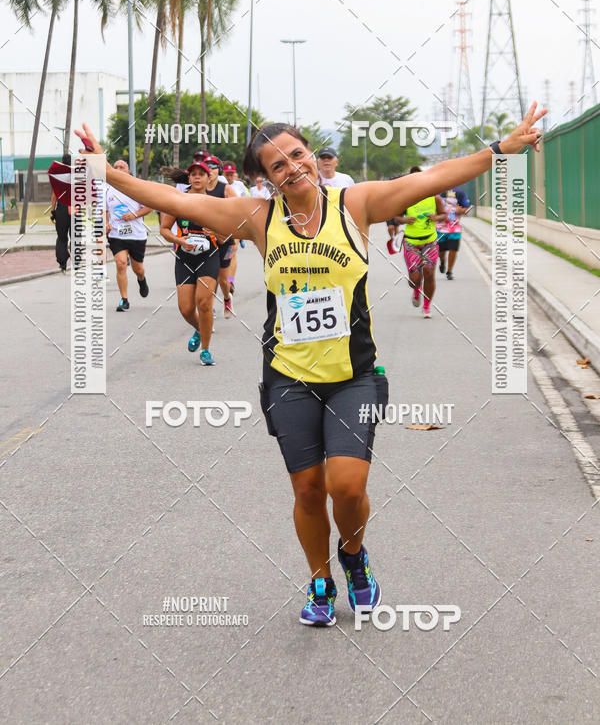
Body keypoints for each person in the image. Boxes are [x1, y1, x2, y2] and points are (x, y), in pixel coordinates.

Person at [76, 102, 545, 626]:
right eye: (278, 165)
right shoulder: (255, 218)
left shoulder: (357, 202)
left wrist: (502, 148)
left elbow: (435, 176)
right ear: (266, 179)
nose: (293, 167)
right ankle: (320, 578)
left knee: (347, 486)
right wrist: (102, 167)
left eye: (297, 154)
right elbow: (165, 196)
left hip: (355, 377)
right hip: (288, 379)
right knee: (307, 489)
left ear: (309, 155)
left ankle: (354, 556)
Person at [159, 159, 220, 364]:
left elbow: (231, 233)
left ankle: (206, 349)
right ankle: (199, 328)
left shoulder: (216, 203)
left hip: (209, 256)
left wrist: (218, 232)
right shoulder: (177, 200)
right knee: (185, 308)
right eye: (192, 173)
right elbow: (164, 229)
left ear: (208, 177)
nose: (196, 177)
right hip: (184, 257)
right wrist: (178, 240)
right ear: (188, 177)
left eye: (200, 174)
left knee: (204, 303)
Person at [392, 166, 446, 319]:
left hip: (430, 241)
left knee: (429, 274)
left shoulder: (434, 198)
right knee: (414, 279)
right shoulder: (406, 198)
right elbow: (396, 217)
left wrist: (436, 218)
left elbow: (443, 215)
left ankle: (427, 306)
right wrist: (404, 219)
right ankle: (417, 289)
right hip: (411, 243)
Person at [105, 159, 152, 311]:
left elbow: (150, 206)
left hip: (136, 234)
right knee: (120, 264)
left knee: (138, 268)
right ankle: (124, 300)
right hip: (116, 234)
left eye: (122, 167)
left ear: (128, 171)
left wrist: (134, 215)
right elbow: (104, 210)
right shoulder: (107, 188)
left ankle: (141, 279)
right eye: (116, 166)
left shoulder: (136, 187)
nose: (118, 169)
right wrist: (105, 223)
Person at [205, 155, 236, 317]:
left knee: (223, 280)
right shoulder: (199, 189)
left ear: (219, 170)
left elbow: (238, 212)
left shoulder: (226, 189)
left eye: (214, 166)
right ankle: (208, 311)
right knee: (209, 278)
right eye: (207, 166)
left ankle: (226, 298)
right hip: (206, 241)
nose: (210, 169)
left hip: (225, 240)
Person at [437, 187, 471, 280]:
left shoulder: (459, 192)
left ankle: (449, 271)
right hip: (440, 228)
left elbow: (467, 208)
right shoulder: (437, 190)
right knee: (441, 252)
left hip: (454, 227)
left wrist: (462, 211)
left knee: (453, 249)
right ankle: (442, 261)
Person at [50, 152, 72, 273]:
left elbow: (54, 196)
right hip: (75, 208)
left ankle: (63, 264)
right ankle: (77, 262)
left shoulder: (58, 176)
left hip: (62, 209)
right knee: (76, 236)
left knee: (62, 238)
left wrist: (53, 211)